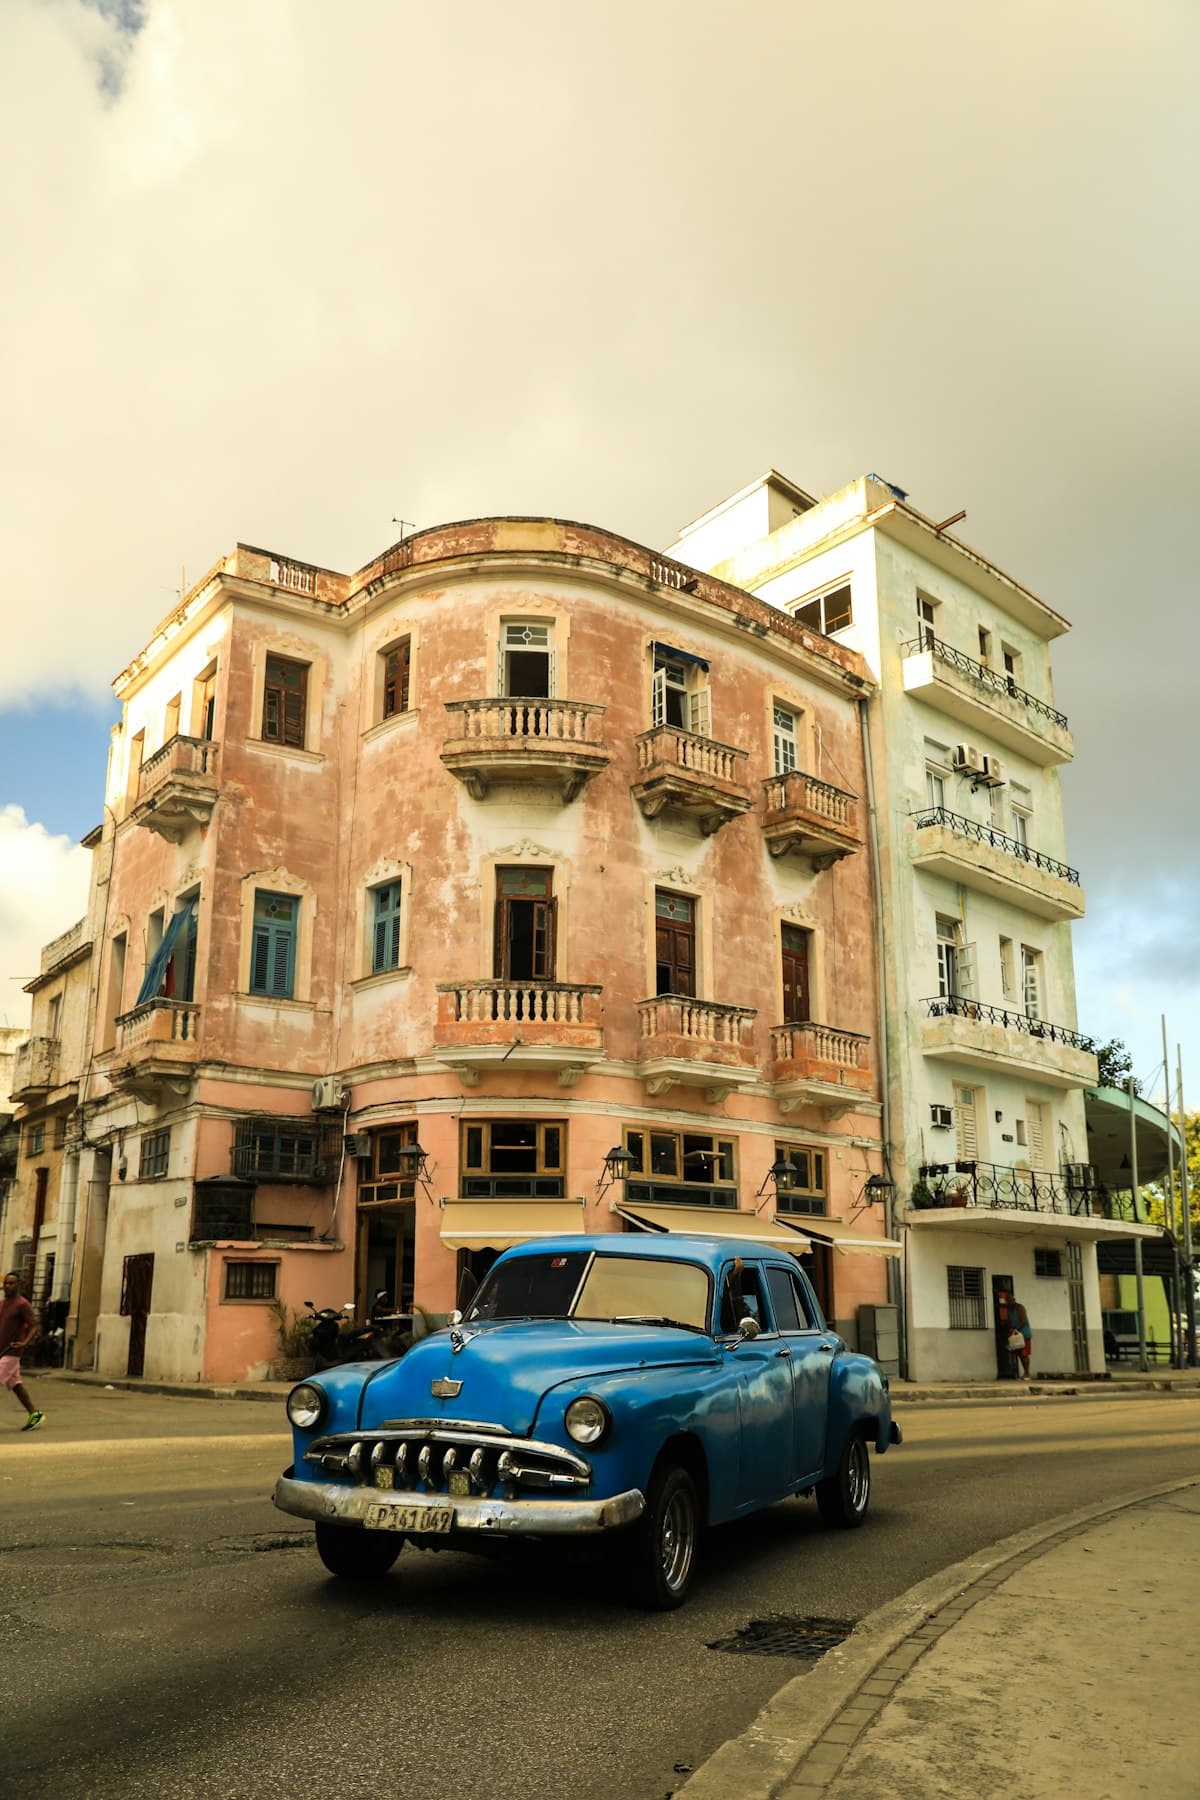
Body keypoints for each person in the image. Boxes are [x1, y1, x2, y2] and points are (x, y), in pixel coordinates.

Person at [0, 1271, 44, 1430]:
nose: (8, 1286)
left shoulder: (22, 1304)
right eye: (6, 1283)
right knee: (16, 1385)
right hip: (2, 1350)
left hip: (12, 1351)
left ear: (19, 1285)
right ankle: (35, 1414)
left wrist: (24, 1342)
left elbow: (34, 1325)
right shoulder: (2, 1303)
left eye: (12, 1283)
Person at [1011, 1294, 1032, 1378]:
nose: (1010, 1302)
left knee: (1024, 1354)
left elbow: (1023, 1321)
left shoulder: (1020, 1308)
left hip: (1024, 1334)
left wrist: (1016, 1329)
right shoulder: (1009, 1310)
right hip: (1016, 1335)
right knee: (1020, 1355)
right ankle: (1025, 1372)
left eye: (1011, 1300)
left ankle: (1027, 1372)